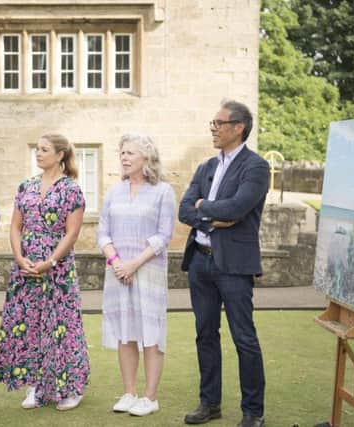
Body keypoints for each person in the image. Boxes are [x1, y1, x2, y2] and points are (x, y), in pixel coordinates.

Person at [178, 100, 269, 427]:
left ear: (239, 127)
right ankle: (210, 403)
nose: (213, 128)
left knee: (244, 337)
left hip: (233, 266)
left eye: (219, 122)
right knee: (205, 334)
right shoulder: (206, 167)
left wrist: (206, 207)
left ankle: (253, 412)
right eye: (212, 123)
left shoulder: (256, 167)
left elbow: (237, 208)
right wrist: (208, 219)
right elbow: (185, 209)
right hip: (200, 263)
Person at [0, 132, 90, 411]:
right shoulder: (26, 186)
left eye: (44, 149)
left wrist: (50, 262)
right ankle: (35, 388)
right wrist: (19, 257)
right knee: (30, 326)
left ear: (60, 155)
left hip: (56, 270)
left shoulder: (71, 189)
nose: (38, 153)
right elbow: (15, 227)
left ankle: (71, 388)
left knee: (62, 327)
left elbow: (72, 233)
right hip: (26, 269)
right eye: (37, 149)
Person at [97, 133, 175, 417]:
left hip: (148, 271)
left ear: (147, 158)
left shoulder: (163, 192)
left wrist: (133, 265)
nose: (124, 157)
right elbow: (102, 231)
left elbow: (163, 236)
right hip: (117, 273)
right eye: (122, 153)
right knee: (125, 332)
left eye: (130, 153)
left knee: (151, 333)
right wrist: (117, 262)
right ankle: (129, 392)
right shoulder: (114, 192)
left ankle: (150, 397)